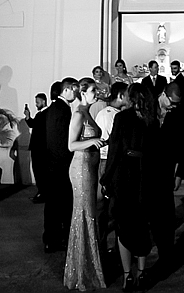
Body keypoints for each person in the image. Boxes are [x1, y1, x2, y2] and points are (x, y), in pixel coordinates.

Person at [101, 83, 161, 292]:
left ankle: (127, 275)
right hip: (145, 175)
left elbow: (115, 149)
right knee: (142, 224)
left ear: (131, 97)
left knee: (123, 224)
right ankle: (142, 273)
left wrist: (106, 178)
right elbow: (157, 152)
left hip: (124, 174)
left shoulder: (122, 118)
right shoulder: (152, 120)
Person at [63, 79, 106, 291]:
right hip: (81, 168)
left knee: (90, 214)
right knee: (84, 215)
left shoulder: (87, 112)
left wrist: (100, 142)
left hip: (90, 166)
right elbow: (71, 145)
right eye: (92, 91)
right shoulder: (78, 114)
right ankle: (81, 271)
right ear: (82, 93)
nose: (96, 94)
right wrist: (92, 142)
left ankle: (88, 265)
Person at [154, 82, 184, 268]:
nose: (173, 106)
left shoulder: (178, 114)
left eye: (177, 103)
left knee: (166, 212)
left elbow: (183, 145)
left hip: (167, 169)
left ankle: (166, 252)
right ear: (163, 95)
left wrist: (180, 172)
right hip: (147, 167)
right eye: (171, 102)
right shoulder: (149, 109)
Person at [95, 82, 130, 256]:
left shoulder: (104, 113)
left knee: (104, 208)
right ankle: (112, 247)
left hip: (104, 161)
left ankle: (103, 245)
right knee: (111, 207)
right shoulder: (114, 116)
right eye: (128, 95)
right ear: (121, 96)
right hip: (109, 162)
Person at [43, 78, 77, 253]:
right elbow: (64, 139)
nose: (76, 94)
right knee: (63, 203)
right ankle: (61, 238)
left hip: (51, 162)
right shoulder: (64, 109)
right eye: (74, 90)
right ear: (66, 90)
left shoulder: (51, 109)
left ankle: (50, 239)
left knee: (52, 204)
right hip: (62, 163)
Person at [24, 92, 48, 203]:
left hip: (41, 148)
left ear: (43, 101)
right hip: (37, 148)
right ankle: (41, 192)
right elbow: (33, 124)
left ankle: (43, 193)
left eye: (37, 102)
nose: (36, 104)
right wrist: (28, 117)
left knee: (41, 171)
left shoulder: (46, 114)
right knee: (37, 171)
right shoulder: (40, 114)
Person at [169, 59, 184, 129]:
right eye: (172, 68)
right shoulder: (180, 79)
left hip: (180, 108)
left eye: (175, 68)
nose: (173, 70)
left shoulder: (180, 80)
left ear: (179, 68)